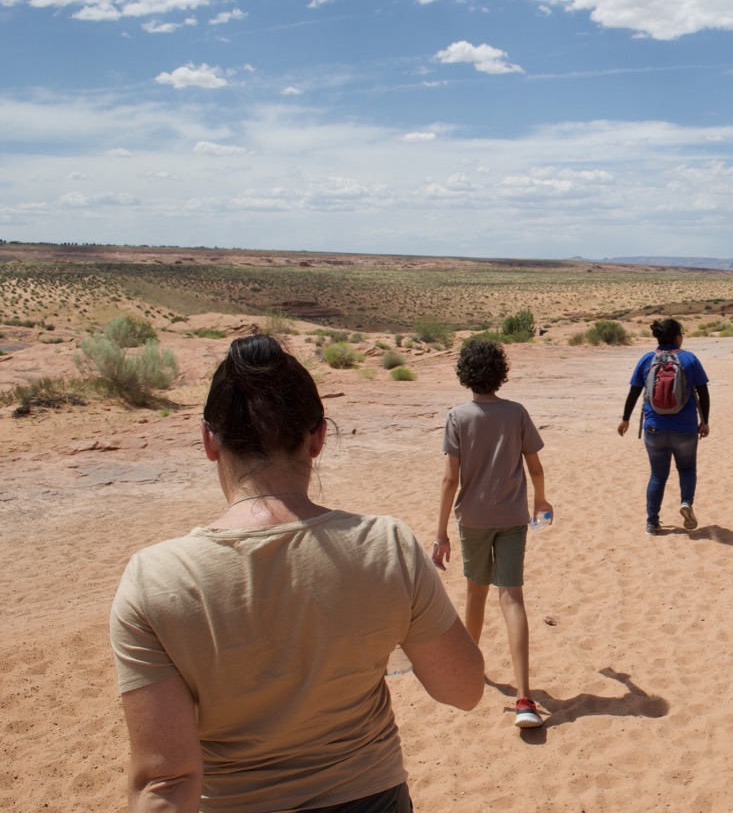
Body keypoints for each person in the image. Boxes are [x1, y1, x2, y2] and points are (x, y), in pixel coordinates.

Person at [110, 334, 484, 813]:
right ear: (318, 438)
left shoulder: (155, 579)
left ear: (209, 439)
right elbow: (464, 689)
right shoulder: (386, 546)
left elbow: (165, 782)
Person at [433, 338, 552, 730]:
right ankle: (524, 697)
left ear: (465, 374)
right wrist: (540, 501)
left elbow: (451, 479)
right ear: (500, 373)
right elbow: (534, 467)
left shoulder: (458, 416)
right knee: (512, 598)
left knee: (475, 593)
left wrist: (440, 534)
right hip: (513, 516)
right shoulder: (516, 413)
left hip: (473, 519)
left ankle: (472, 668)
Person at [617, 318, 711, 535]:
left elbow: (634, 391)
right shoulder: (689, 359)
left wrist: (625, 419)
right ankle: (686, 502)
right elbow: (703, 392)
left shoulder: (648, 359)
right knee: (687, 468)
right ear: (678, 336)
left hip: (653, 428)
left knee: (657, 476)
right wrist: (704, 421)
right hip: (685, 429)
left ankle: (652, 522)